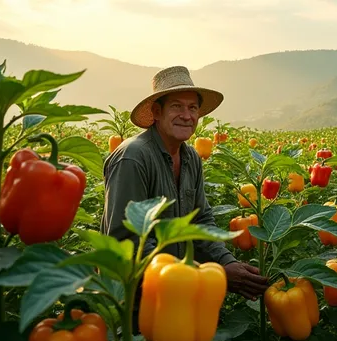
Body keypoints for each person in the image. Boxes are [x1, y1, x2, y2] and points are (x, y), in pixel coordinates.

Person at [101, 66, 268, 303]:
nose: (187, 115)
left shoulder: (191, 158)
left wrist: (227, 262)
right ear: (157, 112)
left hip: (176, 292)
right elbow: (125, 242)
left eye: (193, 108)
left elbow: (200, 221)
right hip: (133, 300)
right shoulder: (133, 157)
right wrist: (212, 273)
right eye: (177, 106)